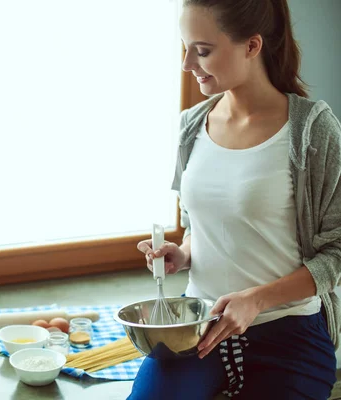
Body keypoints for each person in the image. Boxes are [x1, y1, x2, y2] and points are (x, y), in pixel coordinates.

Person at [130, 0, 341, 399]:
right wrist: (185, 253)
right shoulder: (191, 125)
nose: (187, 62)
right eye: (185, 46)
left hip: (288, 333)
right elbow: (200, 225)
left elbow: (337, 252)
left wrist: (255, 300)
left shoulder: (313, 131)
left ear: (252, 46)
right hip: (197, 328)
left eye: (203, 50)